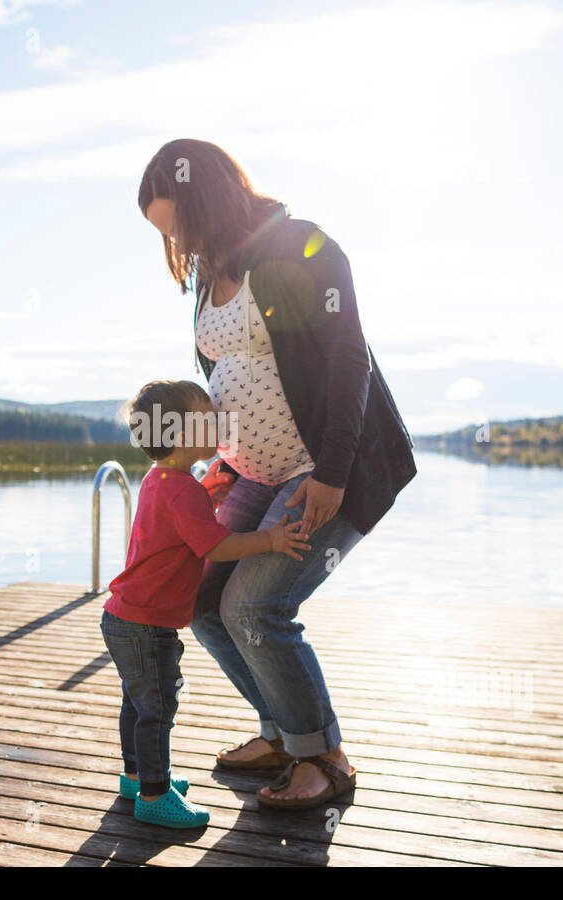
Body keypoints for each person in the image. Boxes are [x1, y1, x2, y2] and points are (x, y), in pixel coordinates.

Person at [137, 139, 418, 810]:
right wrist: (218, 466)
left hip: (322, 467)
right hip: (251, 475)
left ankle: (325, 759)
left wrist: (332, 471)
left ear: (205, 197)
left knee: (255, 605)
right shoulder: (208, 274)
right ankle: (280, 734)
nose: (175, 240)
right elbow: (228, 381)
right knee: (202, 602)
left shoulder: (299, 246)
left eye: (176, 223)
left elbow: (350, 359)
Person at [102, 379, 310, 828]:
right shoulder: (183, 490)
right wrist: (271, 538)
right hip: (147, 624)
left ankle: (136, 777)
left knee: (137, 705)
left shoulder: (161, 480)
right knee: (157, 709)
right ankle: (155, 796)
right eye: (207, 417)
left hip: (124, 617)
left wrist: (207, 497)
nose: (217, 422)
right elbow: (216, 546)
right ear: (179, 435)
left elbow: (185, 526)